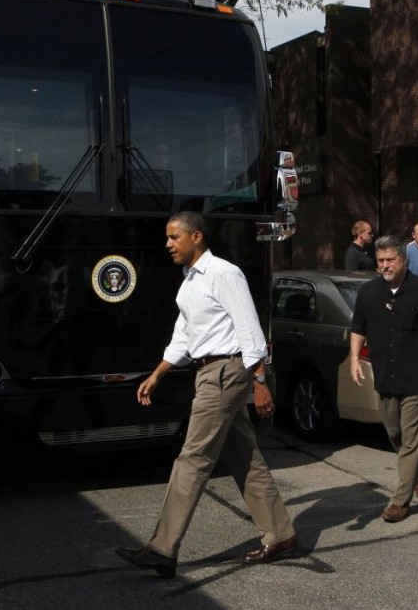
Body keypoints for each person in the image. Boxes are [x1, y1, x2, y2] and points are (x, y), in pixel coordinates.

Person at [115, 212, 296, 577]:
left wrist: (260, 382)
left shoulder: (224, 273)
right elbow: (183, 335)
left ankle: (162, 549)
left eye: (174, 237)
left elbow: (249, 327)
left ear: (196, 237)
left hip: (225, 372)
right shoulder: (190, 281)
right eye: (168, 237)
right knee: (243, 456)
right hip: (209, 371)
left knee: (192, 458)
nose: (168, 244)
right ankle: (281, 535)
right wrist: (158, 373)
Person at [350, 235, 418, 523]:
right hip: (386, 376)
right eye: (380, 261)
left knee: (410, 440)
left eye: (390, 260)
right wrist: (354, 358)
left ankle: (400, 501)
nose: (384, 265)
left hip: (417, 378)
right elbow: (358, 328)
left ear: (403, 260)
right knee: (395, 434)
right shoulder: (369, 292)